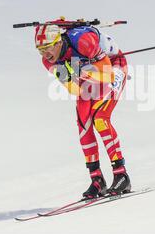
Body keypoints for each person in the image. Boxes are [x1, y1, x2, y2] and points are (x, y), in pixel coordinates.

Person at [35, 18, 131, 199]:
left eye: (47, 47)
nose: (45, 54)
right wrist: (70, 75)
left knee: (100, 118)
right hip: (90, 72)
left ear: (59, 41)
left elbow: (107, 74)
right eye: (40, 50)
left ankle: (121, 174)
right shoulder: (48, 61)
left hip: (113, 65)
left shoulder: (83, 41)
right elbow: (75, 90)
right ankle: (97, 179)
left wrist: (81, 70)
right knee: (83, 123)